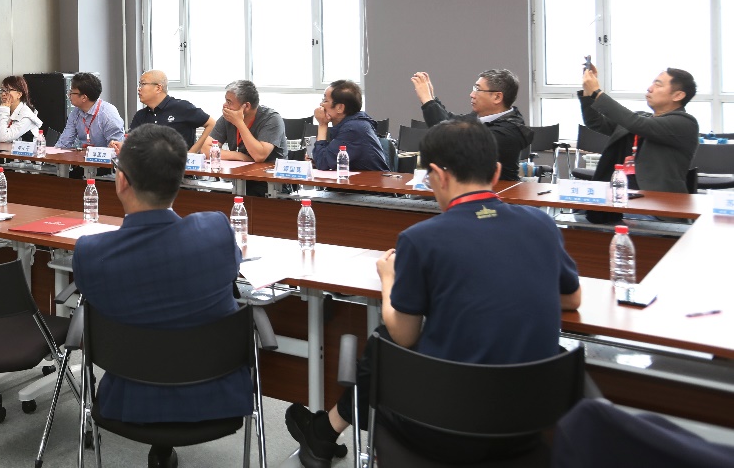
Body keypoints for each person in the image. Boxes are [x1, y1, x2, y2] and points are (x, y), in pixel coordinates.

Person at [286, 120, 581, 466]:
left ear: (438, 175)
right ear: (497, 171)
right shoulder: (542, 224)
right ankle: (325, 431)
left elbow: (405, 334)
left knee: (384, 342)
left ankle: (326, 430)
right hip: (529, 425)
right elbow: (572, 298)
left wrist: (388, 279)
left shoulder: (421, 239)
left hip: (445, 426)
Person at [72, 124, 249, 468]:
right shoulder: (216, 230)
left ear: (122, 181)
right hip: (215, 394)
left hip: (130, 399)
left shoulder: (91, 254)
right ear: (180, 179)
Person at [578, 65, 699, 193]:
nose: (650, 88)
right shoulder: (642, 117)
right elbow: (595, 122)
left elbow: (636, 123)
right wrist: (588, 92)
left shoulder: (685, 123)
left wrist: (597, 93)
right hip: (619, 192)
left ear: (678, 95)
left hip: (658, 198)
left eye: (658, 85)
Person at [411, 69, 533, 180]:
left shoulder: (509, 132)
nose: (472, 94)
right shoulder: (480, 117)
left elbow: (448, 139)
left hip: (498, 194)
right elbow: (450, 122)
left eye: (478, 89)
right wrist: (432, 98)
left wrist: (428, 101)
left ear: (497, 97)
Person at [112, 69, 214, 150]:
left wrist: (193, 152)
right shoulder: (140, 115)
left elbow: (211, 123)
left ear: (158, 88)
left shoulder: (182, 107)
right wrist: (120, 146)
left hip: (178, 167)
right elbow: (131, 142)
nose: (139, 89)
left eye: (143, 84)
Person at [311, 80, 389, 171]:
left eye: (325, 100)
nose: (321, 104)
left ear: (340, 108)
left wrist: (322, 124)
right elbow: (330, 159)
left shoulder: (353, 129)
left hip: (370, 179)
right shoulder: (352, 124)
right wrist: (315, 159)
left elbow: (323, 162)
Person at [56, 72, 125, 148]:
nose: (69, 95)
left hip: (105, 155)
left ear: (84, 98)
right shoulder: (75, 113)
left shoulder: (108, 115)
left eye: (72, 92)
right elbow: (64, 142)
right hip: (84, 155)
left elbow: (116, 148)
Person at [0, 75, 43, 143]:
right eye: (2, 90)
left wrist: (3, 111)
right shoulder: (9, 110)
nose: (3, 94)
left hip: (26, 150)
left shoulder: (26, 115)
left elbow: (3, 138)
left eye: (7, 90)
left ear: (19, 94)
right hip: (10, 149)